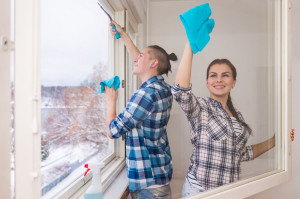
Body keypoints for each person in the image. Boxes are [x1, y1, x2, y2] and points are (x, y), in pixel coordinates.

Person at [172, 41, 275, 197]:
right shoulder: (200, 108)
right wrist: (190, 45)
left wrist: (274, 141)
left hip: (229, 192)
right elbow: (181, 92)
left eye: (225, 75)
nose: (219, 80)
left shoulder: (238, 117)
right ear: (207, 82)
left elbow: (240, 154)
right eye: (213, 76)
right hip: (200, 192)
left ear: (233, 82)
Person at [104, 20, 178, 199]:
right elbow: (141, 61)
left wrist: (110, 100)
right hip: (158, 177)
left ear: (153, 63)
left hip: (149, 187)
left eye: (141, 57)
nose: (135, 60)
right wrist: (123, 35)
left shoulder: (145, 95)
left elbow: (113, 130)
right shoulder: (162, 89)